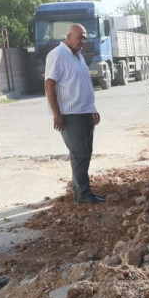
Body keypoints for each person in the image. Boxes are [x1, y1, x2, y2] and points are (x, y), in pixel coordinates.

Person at [45, 23, 105, 204]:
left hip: (84, 111)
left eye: (85, 37)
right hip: (70, 114)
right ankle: (83, 194)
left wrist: (92, 109)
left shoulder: (78, 56)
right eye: (80, 37)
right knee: (79, 153)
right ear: (68, 37)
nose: (83, 41)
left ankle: (80, 192)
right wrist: (56, 113)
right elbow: (49, 85)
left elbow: (83, 84)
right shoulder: (58, 55)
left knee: (85, 153)